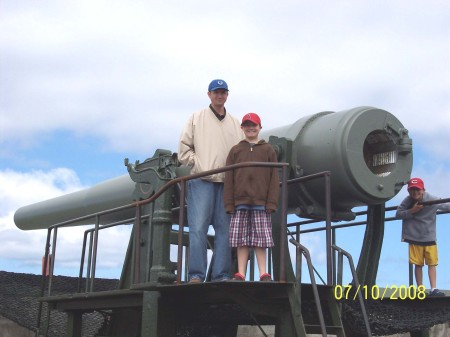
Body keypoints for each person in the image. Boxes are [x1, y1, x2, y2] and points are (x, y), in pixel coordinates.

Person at [178, 79, 243, 283]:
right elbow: (183, 148)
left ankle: (220, 275)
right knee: (198, 228)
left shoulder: (235, 122)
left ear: (227, 95)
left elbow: (240, 152)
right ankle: (196, 274)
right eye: (216, 92)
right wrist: (198, 165)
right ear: (209, 94)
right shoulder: (196, 118)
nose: (219, 96)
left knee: (225, 230)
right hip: (201, 181)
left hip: (226, 183)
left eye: (223, 92)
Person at [224, 112, 279, 282]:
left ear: (260, 127)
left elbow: (273, 178)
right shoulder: (235, 151)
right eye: (247, 125)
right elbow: (229, 179)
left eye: (254, 125)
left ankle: (263, 272)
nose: (250, 128)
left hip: (261, 202)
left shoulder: (268, 150)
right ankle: (241, 272)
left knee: (261, 240)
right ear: (242, 128)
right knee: (241, 240)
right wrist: (229, 203)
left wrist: (271, 202)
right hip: (240, 201)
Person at [396, 177, 450, 296]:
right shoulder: (407, 201)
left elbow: (445, 206)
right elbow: (398, 214)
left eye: (417, 190)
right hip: (414, 237)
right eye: (412, 190)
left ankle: (433, 289)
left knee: (432, 263)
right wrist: (412, 211)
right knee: (418, 264)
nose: (415, 192)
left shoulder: (431, 199)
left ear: (423, 190)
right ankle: (420, 289)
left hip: (429, 236)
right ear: (408, 191)